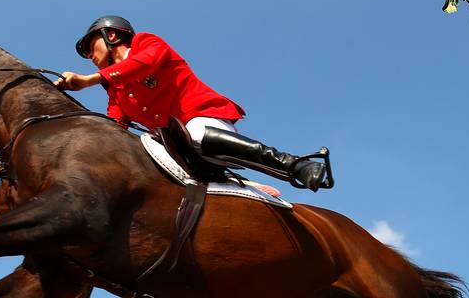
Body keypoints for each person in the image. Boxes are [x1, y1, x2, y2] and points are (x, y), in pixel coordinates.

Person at [56, 16, 333, 192]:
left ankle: (294, 165)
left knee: (197, 133)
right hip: (178, 147)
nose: (90, 56)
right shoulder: (115, 89)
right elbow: (115, 125)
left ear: (111, 36)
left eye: (92, 47)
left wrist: (88, 80)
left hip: (202, 119)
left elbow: (142, 65)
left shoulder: (146, 43)